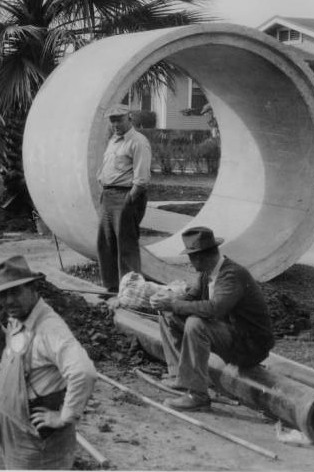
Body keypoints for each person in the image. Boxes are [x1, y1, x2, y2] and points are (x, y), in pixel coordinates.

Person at [0, 255, 97, 470]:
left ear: (33, 288)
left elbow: (84, 372)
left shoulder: (49, 328)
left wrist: (64, 416)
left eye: (15, 292)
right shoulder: (18, 318)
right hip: (9, 431)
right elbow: (13, 359)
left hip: (33, 442)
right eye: (3, 294)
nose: (8, 301)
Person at [150, 227, 275, 411]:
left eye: (191, 258)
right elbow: (191, 298)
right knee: (169, 314)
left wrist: (174, 304)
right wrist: (168, 302)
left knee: (196, 324)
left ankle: (197, 395)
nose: (190, 262)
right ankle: (180, 376)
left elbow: (215, 309)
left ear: (199, 257)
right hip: (232, 334)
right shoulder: (206, 274)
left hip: (251, 344)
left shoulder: (231, 275)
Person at [96, 103, 152, 294]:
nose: (116, 124)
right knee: (105, 243)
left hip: (125, 196)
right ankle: (111, 288)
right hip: (108, 195)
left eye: (119, 119)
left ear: (130, 118)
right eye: (112, 121)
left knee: (126, 246)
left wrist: (130, 200)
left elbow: (142, 179)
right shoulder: (113, 140)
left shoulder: (138, 141)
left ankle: (131, 293)